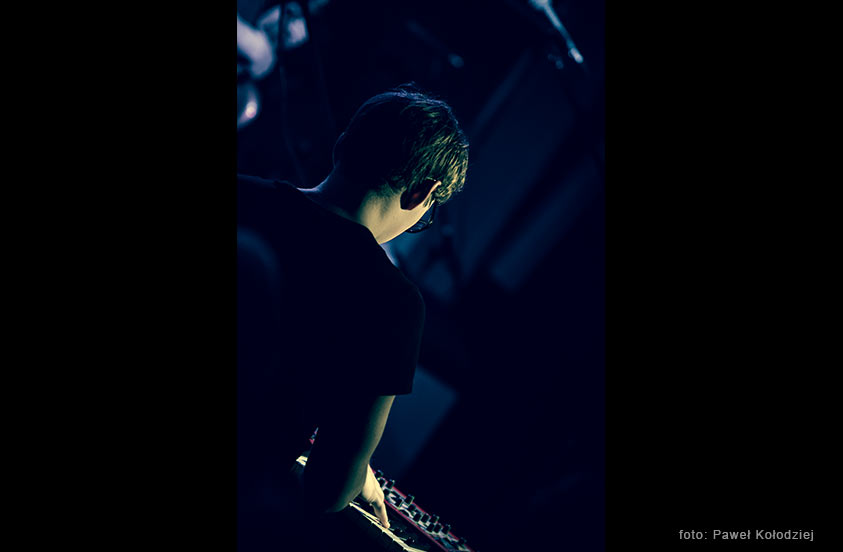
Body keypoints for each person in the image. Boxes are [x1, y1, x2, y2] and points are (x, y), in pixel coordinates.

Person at [237, 83, 469, 550]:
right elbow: (328, 490)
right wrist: (355, 469)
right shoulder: (394, 303)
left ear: (342, 144)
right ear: (423, 192)